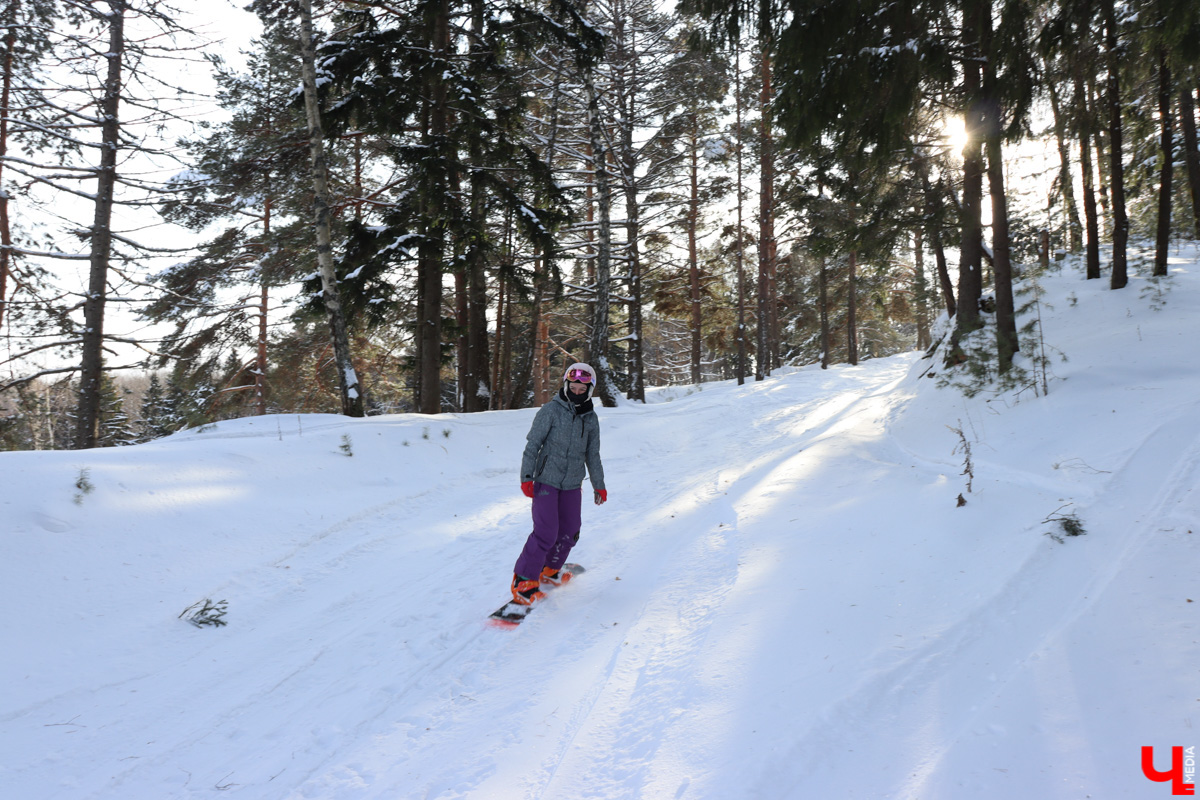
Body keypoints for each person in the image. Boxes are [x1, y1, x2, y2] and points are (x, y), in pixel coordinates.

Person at [511, 362, 608, 605]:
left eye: (582, 389)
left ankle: (550, 570)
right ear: (566, 385)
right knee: (545, 531)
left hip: (573, 483)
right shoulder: (550, 411)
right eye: (573, 387)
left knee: (570, 531)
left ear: (589, 391)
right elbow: (532, 445)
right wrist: (527, 478)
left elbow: (592, 454)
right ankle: (523, 580)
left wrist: (599, 484)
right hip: (546, 480)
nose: (577, 392)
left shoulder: (591, 418)